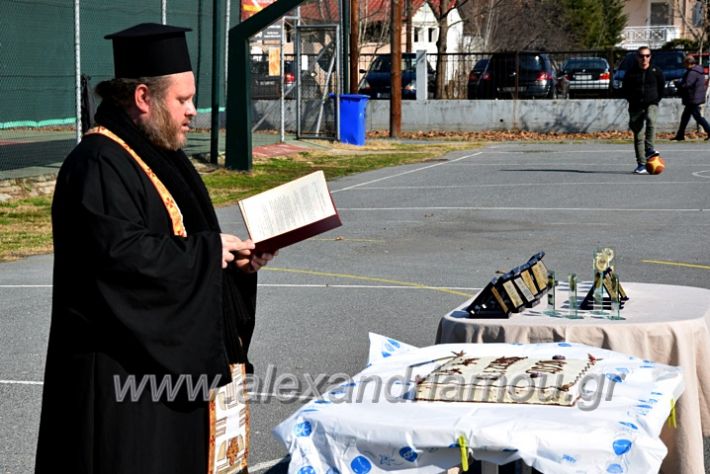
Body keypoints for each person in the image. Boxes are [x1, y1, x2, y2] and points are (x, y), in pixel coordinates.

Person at [35, 23, 275, 474]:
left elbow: (179, 241)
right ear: (143, 98)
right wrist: (206, 255)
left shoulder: (160, 157)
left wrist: (235, 264)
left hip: (164, 379)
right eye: (182, 100)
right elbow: (121, 262)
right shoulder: (98, 163)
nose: (192, 112)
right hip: (121, 384)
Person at [622, 46, 665, 175]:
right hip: (636, 106)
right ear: (637, 57)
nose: (644, 58)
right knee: (639, 135)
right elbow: (625, 88)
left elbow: (661, 87)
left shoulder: (656, 71)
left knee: (651, 120)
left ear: (650, 57)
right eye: (641, 56)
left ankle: (649, 148)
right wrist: (632, 100)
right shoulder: (630, 72)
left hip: (651, 103)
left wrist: (656, 99)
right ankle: (641, 164)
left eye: (647, 56)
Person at [671, 55, 710, 141]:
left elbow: (687, 84)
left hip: (693, 98)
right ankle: (680, 134)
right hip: (694, 97)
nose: (684, 65)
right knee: (685, 117)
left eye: (685, 63)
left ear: (689, 63)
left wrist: (678, 84)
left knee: (697, 117)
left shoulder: (692, 72)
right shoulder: (697, 71)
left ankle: (709, 131)